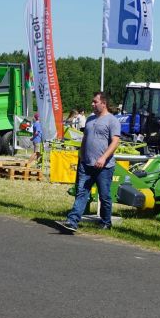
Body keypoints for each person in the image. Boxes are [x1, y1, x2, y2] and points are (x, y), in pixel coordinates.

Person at [57, 92, 121, 232]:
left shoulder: (112, 120)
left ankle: (106, 222)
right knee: (81, 192)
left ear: (103, 103)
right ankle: (72, 221)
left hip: (104, 167)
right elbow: (86, 138)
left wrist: (103, 157)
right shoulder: (90, 119)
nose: (92, 104)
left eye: (95, 101)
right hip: (86, 164)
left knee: (104, 196)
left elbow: (115, 142)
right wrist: (81, 153)